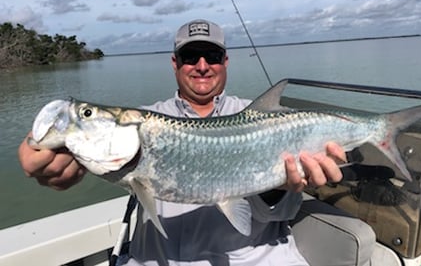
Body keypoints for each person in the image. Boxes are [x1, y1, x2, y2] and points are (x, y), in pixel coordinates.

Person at [18, 19, 345, 265]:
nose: (202, 66)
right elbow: (70, 160)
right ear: (175, 63)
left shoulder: (269, 122)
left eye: (212, 55)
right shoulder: (147, 119)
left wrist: (276, 184)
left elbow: (279, 214)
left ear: (225, 61)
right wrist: (54, 158)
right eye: (191, 56)